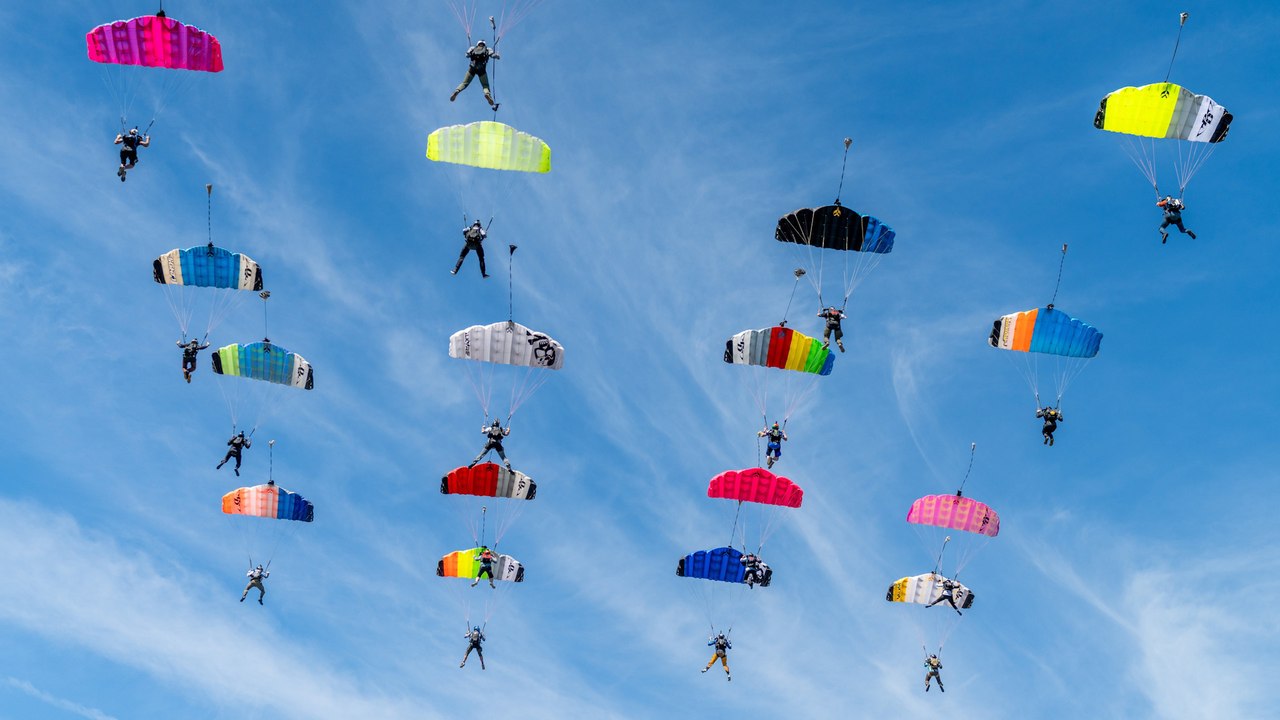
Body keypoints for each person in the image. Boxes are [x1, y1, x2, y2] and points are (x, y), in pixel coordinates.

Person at [449, 39, 501, 110]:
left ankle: (456, 91)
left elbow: (466, 55)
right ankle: (487, 94)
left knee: (464, 83)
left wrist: (470, 54)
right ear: (484, 44)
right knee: (485, 85)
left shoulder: (473, 48)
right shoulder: (487, 49)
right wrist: (497, 56)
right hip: (481, 69)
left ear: (478, 44)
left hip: (472, 67)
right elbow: (492, 55)